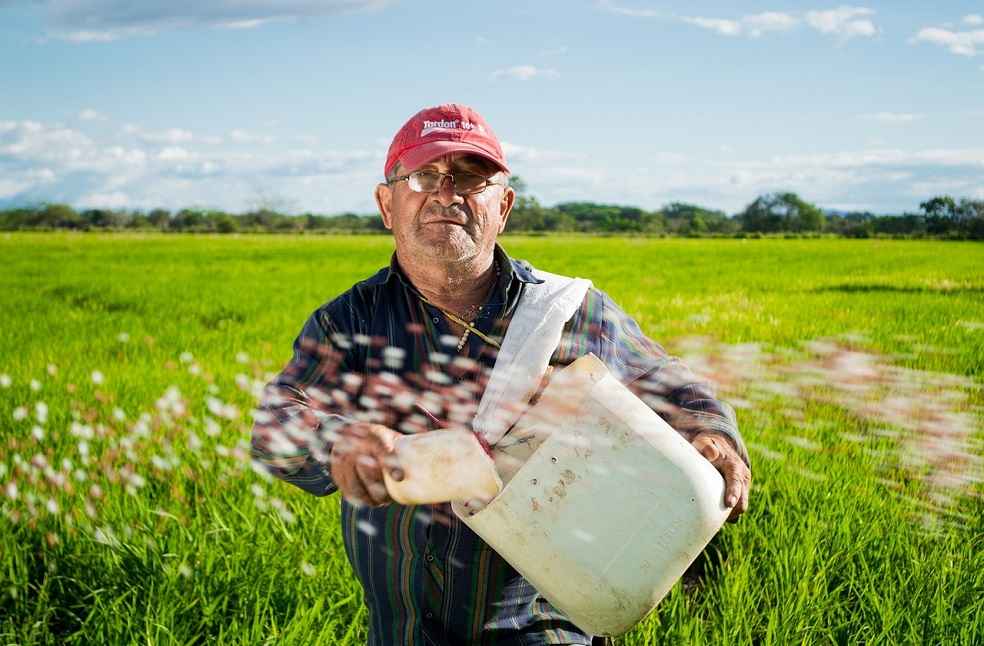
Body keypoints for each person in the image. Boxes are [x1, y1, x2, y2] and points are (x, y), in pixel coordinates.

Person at [251, 103, 751, 646]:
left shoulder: (568, 311)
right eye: (423, 176)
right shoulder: (349, 321)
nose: (447, 193)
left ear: (503, 205)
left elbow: (671, 385)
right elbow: (274, 424)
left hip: (547, 625)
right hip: (403, 631)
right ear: (386, 204)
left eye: (470, 177)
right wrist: (336, 440)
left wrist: (715, 434)